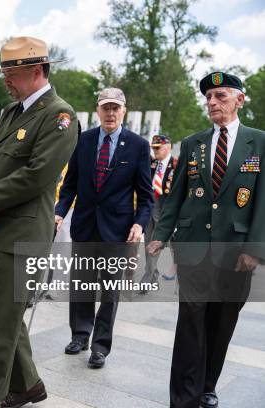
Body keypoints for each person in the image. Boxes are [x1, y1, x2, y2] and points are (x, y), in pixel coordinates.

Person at [0, 36, 79, 408]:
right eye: (3, 71)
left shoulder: (59, 115)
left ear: (36, 70)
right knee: (3, 317)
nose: (5, 80)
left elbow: (37, 174)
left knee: (1, 330)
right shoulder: (10, 113)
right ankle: (29, 384)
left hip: (22, 236)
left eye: (10, 72)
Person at [148, 71, 265, 408]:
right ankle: (183, 398)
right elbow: (176, 197)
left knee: (222, 320)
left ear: (239, 100)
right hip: (193, 247)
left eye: (221, 96)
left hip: (236, 251)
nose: (212, 102)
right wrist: (160, 235)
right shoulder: (194, 144)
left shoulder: (259, 142)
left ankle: (207, 386)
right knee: (191, 321)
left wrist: (255, 249)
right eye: (209, 97)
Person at [55, 88, 153, 369]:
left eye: (115, 108)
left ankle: (100, 346)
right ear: (98, 110)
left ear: (124, 110)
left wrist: (139, 222)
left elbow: (146, 196)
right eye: (105, 108)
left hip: (118, 229)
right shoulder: (82, 141)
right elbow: (70, 184)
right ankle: (80, 335)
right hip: (85, 225)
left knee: (110, 291)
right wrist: (59, 212)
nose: (110, 113)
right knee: (81, 284)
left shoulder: (137, 145)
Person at [139, 134, 177, 293]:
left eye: (158, 147)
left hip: (166, 211)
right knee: (149, 245)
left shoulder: (176, 165)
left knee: (155, 247)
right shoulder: (152, 163)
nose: (154, 151)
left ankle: (147, 281)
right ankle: (152, 277)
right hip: (150, 208)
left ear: (168, 147)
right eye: (153, 148)